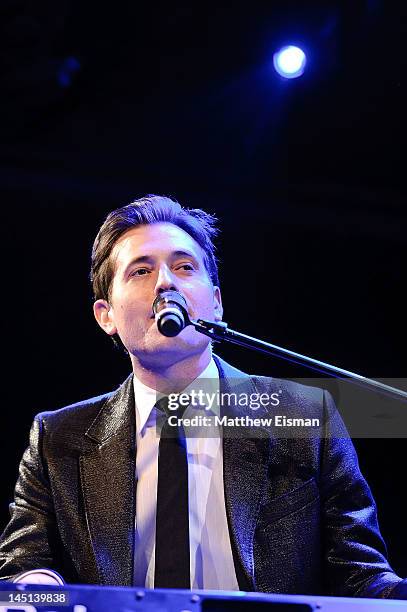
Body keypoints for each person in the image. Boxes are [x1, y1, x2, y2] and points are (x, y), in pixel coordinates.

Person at [0, 195, 406, 599]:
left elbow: (359, 577)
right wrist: (40, 591)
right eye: (141, 271)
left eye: (184, 267)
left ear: (215, 302)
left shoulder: (304, 414)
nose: (165, 283)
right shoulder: (57, 438)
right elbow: (24, 565)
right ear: (106, 316)